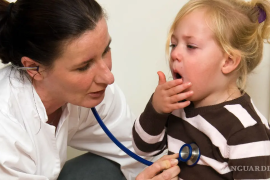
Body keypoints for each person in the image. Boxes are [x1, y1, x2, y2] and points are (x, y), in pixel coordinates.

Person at [0, 0, 181, 179]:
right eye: (84, 66)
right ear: (33, 68)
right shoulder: (6, 125)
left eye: (105, 50)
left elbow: (138, 154)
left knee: (104, 167)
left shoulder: (95, 93)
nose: (108, 78)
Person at [132, 0, 270, 179]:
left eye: (190, 46)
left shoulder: (246, 131)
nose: (174, 54)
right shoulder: (177, 105)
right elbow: (143, 149)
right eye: (174, 44)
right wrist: (156, 110)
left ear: (228, 61)